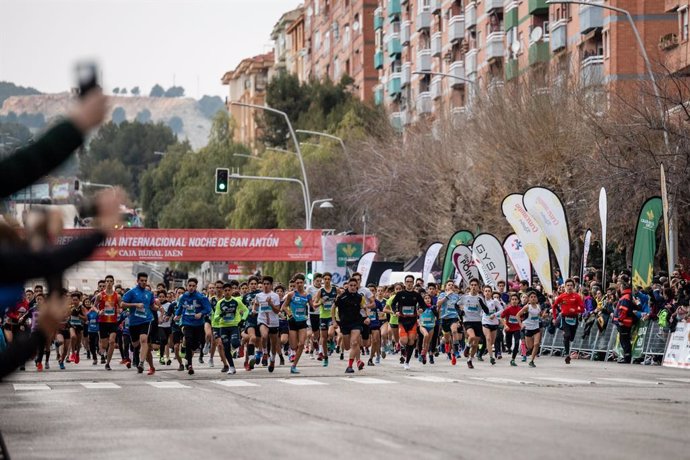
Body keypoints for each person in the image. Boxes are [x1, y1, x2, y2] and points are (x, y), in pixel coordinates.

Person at [121, 272, 157, 375]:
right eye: (141, 280)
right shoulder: (132, 292)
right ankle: (151, 366)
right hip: (134, 323)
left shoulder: (149, 293)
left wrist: (160, 309)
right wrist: (135, 304)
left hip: (146, 320)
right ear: (137, 281)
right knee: (135, 344)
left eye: (145, 281)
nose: (144, 282)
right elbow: (122, 304)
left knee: (144, 340)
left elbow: (152, 306)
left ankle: (141, 363)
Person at [175, 278, 211, 375]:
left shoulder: (201, 297)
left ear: (196, 286)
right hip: (187, 323)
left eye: (193, 286)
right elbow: (180, 307)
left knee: (195, 345)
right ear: (187, 286)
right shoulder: (183, 297)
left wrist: (201, 313)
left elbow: (208, 309)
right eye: (189, 285)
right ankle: (190, 365)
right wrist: (176, 315)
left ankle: (189, 356)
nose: (191, 287)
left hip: (198, 324)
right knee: (188, 340)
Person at [390, 275, 427, 370]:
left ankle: (407, 362)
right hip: (402, 320)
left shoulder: (416, 295)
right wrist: (395, 311)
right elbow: (393, 304)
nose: (409, 283)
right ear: (405, 283)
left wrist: (421, 309)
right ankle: (401, 346)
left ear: (413, 283)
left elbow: (423, 305)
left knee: (411, 341)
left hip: (412, 321)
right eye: (407, 281)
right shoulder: (400, 294)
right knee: (404, 340)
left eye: (411, 281)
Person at [212, 282, 248, 375]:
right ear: (223, 292)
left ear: (232, 291)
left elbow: (246, 310)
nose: (227, 292)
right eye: (225, 290)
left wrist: (242, 319)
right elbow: (215, 318)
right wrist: (221, 315)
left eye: (229, 290)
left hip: (234, 326)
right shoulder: (220, 303)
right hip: (223, 327)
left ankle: (235, 349)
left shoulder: (236, 301)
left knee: (235, 343)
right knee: (226, 348)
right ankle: (231, 367)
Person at [334, 277, 369, 374]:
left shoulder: (359, 297)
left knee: (354, 342)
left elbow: (364, 306)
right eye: (351, 285)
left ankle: (350, 366)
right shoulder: (342, 297)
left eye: (355, 285)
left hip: (356, 322)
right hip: (344, 323)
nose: (353, 287)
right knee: (346, 347)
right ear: (348, 286)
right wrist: (334, 321)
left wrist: (367, 316)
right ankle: (358, 360)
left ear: (357, 286)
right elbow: (333, 307)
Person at [282, 274, 313, 374]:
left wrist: (321, 301)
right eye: (297, 283)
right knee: (294, 346)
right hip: (292, 322)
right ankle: (290, 351)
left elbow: (313, 306)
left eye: (301, 282)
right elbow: (284, 307)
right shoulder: (291, 295)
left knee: (301, 344)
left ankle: (294, 365)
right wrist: (290, 314)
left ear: (304, 283)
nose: (299, 284)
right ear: (295, 283)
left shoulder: (307, 295)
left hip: (302, 322)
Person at [551, 279, 584, 364]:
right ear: (565, 287)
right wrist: (554, 318)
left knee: (571, 338)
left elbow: (582, 309)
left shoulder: (577, 296)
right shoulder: (561, 296)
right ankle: (567, 354)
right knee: (567, 335)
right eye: (568, 285)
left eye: (571, 285)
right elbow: (554, 307)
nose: (569, 287)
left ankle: (566, 337)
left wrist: (576, 310)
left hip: (574, 319)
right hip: (564, 318)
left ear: (573, 287)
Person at [254, 276, 282, 373]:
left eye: (267, 284)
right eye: (264, 284)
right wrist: (254, 310)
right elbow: (256, 304)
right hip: (262, 320)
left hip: (274, 322)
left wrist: (271, 304)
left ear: (271, 285)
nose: (265, 286)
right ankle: (265, 353)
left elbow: (277, 310)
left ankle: (273, 360)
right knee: (264, 336)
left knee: (274, 344)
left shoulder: (275, 296)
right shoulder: (258, 295)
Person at [458, 278, 485, 369]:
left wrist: (482, 303)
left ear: (478, 287)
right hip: (467, 320)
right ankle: (466, 347)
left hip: (477, 321)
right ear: (469, 286)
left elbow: (487, 311)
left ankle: (470, 360)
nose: (473, 287)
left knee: (475, 344)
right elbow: (456, 305)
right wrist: (460, 312)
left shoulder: (480, 298)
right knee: (472, 337)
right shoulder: (465, 297)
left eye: (475, 285)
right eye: (472, 285)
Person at [95, 274, 121, 370]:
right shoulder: (100, 295)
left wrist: (121, 310)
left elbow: (121, 305)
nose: (109, 283)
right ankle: (103, 351)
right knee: (105, 344)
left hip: (113, 322)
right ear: (105, 283)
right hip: (103, 322)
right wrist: (98, 311)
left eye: (111, 281)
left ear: (113, 282)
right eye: (107, 281)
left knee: (112, 341)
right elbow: (94, 306)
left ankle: (108, 363)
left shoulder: (117, 296)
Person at [313, 272, 337, 367]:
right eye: (325, 279)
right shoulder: (320, 291)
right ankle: (325, 357)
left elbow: (341, 297)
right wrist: (321, 302)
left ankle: (331, 341)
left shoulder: (335, 289)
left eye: (328, 279)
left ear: (330, 280)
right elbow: (314, 304)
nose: (327, 281)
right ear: (323, 280)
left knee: (330, 333)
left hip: (332, 316)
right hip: (323, 316)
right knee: (323, 338)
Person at [437, 280, 461, 365]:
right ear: (446, 286)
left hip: (453, 317)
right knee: (447, 338)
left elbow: (459, 306)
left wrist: (460, 317)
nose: (451, 286)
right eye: (449, 285)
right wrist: (447, 296)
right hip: (444, 318)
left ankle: (456, 350)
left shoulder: (456, 296)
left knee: (454, 331)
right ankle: (443, 343)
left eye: (452, 285)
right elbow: (438, 304)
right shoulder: (442, 294)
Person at [517, 292, 542, 367]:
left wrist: (542, 316)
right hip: (528, 328)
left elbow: (538, 315)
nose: (533, 298)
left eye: (534, 297)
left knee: (536, 344)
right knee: (530, 347)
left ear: (537, 298)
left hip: (536, 328)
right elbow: (517, 315)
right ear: (529, 299)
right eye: (531, 297)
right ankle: (528, 353)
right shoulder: (527, 307)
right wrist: (521, 325)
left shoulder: (538, 306)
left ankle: (532, 361)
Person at [481, 286, 503, 365]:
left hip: (494, 323)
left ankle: (485, 350)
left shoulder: (495, 301)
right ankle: (491, 357)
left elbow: (501, 309)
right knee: (488, 339)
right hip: (485, 322)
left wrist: (494, 314)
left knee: (492, 341)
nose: (487, 292)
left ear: (491, 293)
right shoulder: (481, 301)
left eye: (489, 291)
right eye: (485, 291)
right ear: (483, 293)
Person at [500, 293, 523, 366]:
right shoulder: (508, 309)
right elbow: (501, 318)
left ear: (518, 301)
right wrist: (505, 325)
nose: (514, 301)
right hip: (509, 329)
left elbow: (523, 317)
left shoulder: (520, 309)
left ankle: (513, 359)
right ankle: (509, 348)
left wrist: (522, 324)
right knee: (509, 344)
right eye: (512, 299)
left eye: (516, 299)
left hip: (517, 328)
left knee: (516, 343)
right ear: (510, 301)